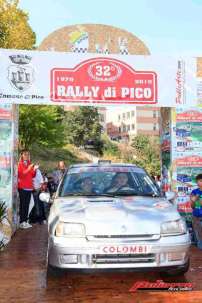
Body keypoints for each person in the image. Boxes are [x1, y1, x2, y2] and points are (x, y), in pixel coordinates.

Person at [18, 150, 38, 229]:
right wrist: (29, 168)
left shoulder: (29, 164)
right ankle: (22, 222)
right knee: (23, 205)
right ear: (22, 155)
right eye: (25, 154)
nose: (27, 156)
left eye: (28, 154)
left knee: (27, 205)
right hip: (22, 187)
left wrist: (35, 169)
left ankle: (25, 221)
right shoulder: (20, 164)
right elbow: (21, 175)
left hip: (29, 188)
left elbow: (32, 175)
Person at [190, 174, 202, 249]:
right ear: (197, 182)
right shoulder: (194, 191)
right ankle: (199, 245)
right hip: (196, 215)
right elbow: (192, 206)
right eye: (200, 181)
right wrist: (194, 199)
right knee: (197, 232)